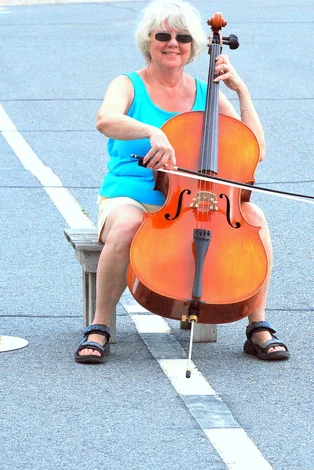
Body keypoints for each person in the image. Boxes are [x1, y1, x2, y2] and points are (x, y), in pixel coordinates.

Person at [75, 0, 290, 364]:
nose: (172, 43)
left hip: (193, 200)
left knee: (254, 218)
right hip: (132, 195)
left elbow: (256, 150)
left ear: (195, 47)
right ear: (149, 41)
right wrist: (152, 131)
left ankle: (258, 326)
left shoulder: (207, 94)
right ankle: (99, 326)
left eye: (183, 37)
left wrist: (242, 92)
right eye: (163, 35)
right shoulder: (128, 84)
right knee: (127, 224)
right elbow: (105, 119)